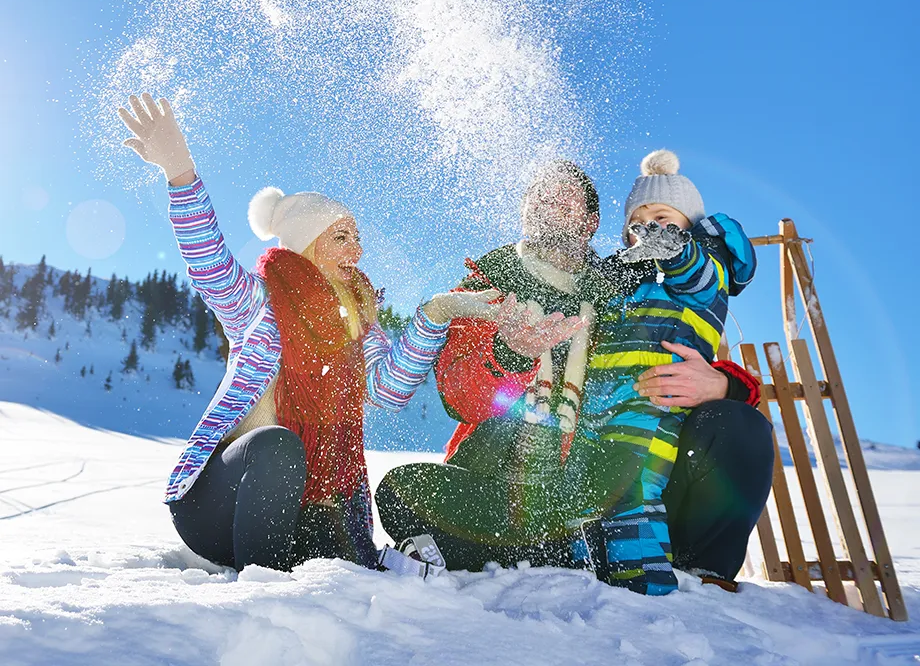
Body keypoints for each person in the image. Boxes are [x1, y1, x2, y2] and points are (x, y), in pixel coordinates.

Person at [117, 93, 582, 573]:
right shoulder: (259, 302)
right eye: (341, 237)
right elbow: (208, 263)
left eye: (358, 238)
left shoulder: (359, 326)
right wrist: (180, 171)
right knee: (277, 446)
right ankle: (263, 597)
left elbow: (389, 389)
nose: (356, 251)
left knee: (342, 540)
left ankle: (302, 581)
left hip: (294, 516)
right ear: (306, 245)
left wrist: (438, 312)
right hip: (220, 506)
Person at [375, 159, 773, 587]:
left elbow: (670, 336)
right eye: (540, 201)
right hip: (511, 483)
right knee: (402, 490)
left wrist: (724, 383)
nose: (551, 208)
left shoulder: (618, 287)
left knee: (738, 425)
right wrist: (510, 354)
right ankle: (557, 553)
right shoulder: (490, 288)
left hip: (615, 473)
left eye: (565, 200)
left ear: (590, 222)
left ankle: (700, 573)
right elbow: (463, 397)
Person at [566, 149, 757, 595]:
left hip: (655, 401)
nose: (650, 227)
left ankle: (645, 581)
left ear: (688, 226)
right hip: (603, 402)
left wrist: (677, 251)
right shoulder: (628, 279)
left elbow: (698, 279)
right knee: (588, 486)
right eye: (640, 220)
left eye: (664, 218)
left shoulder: (703, 269)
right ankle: (579, 568)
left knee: (634, 484)